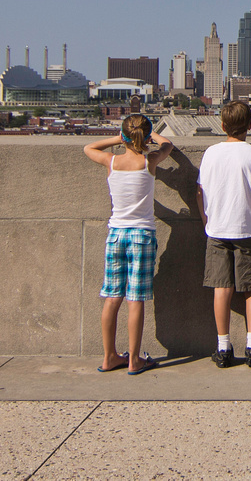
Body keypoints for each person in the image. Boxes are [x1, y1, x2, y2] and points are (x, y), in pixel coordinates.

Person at [83, 114, 174, 375]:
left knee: (112, 298)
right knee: (136, 300)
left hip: (116, 235)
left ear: (124, 136)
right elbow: (167, 145)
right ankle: (134, 360)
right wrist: (151, 136)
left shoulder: (112, 161)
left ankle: (109, 356)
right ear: (144, 137)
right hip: (142, 236)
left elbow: (88, 148)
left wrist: (120, 137)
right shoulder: (149, 160)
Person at [197, 100, 251, 368]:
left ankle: (223, 346)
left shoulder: (210, 153)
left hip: (217, 229)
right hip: (248, 228)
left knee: (222, 287)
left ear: (222, 125)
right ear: (250, 125)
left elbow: (200, 192)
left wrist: (207, 219)